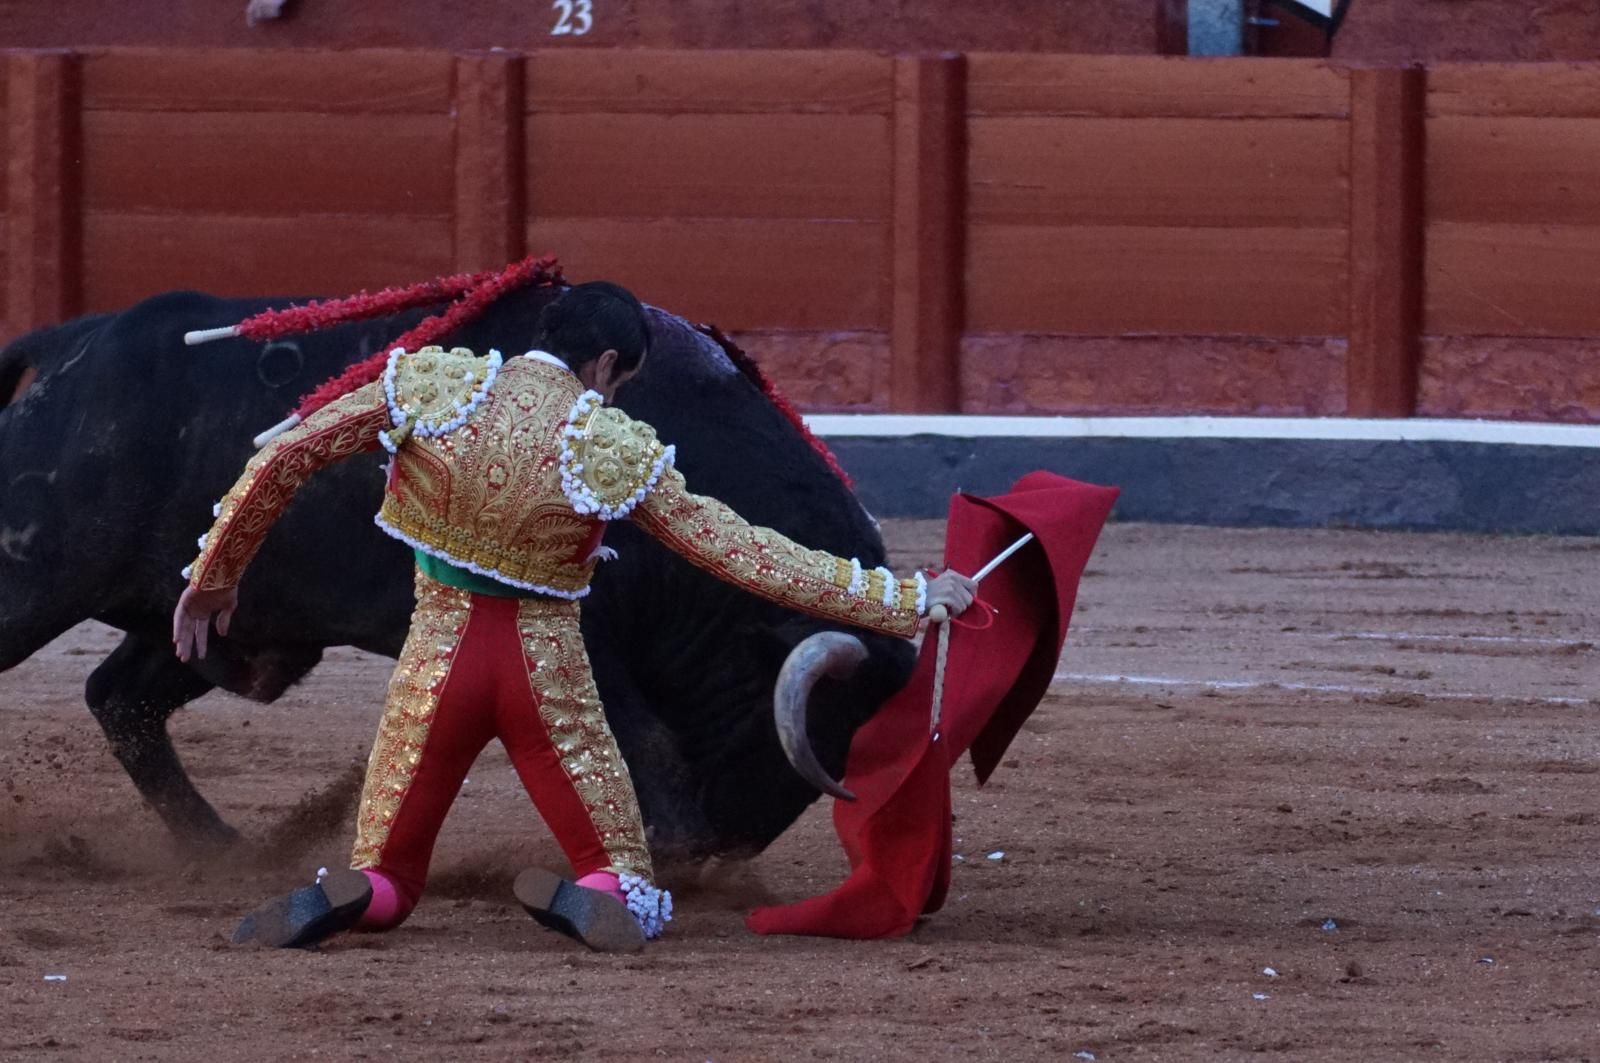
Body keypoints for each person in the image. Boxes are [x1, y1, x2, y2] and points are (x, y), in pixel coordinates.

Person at [173, 281, 977, 952]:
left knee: (385, 869)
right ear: (604, 366)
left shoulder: (430, 385)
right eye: (618, 380)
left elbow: (285, 454)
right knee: (623, 876)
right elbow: (744, 553)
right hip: (542, 677)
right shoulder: (609, 444)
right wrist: (904, 601)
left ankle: (364, 895)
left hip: (436, 664)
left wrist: (216, 575)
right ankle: (607, 895)